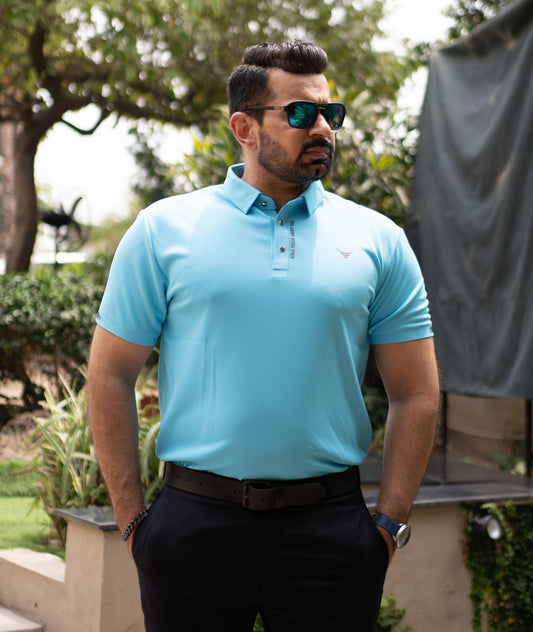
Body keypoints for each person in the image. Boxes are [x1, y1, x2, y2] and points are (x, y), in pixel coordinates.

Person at [87, 40, 440, 632]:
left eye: (331, 113)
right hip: (194, 525)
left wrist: (387, 525)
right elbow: (109, 374)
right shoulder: (162, 230)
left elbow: (417, 392)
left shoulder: (379, 239)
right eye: (300, 113)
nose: (322, 128)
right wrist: (134, 521)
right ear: (244, 128)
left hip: (331, 531)